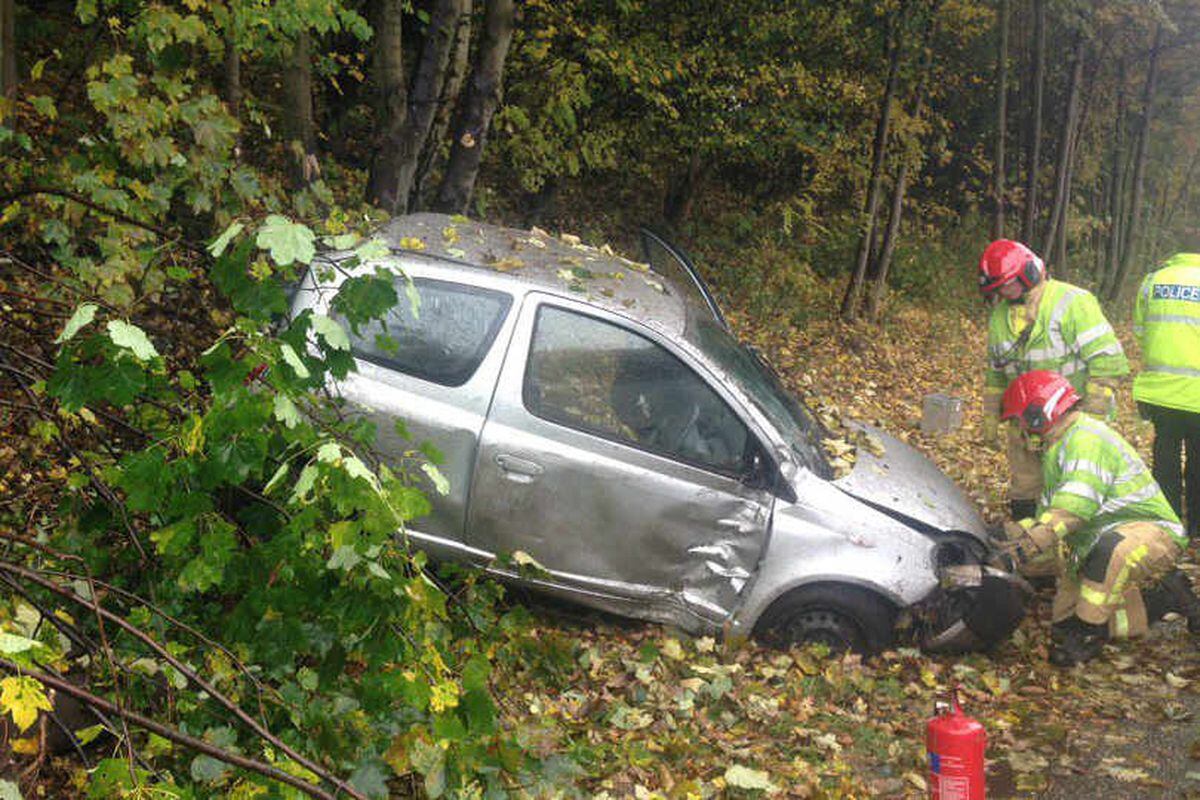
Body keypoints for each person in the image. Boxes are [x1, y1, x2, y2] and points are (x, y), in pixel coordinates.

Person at [992, 370, 1200, 666]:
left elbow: (1074, 509)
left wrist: (1024, 548)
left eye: (1019, 420)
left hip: (1148, 531)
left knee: (1109, 552)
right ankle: (1164, 596)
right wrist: (1007, 537)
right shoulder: (1058, 448)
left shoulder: (1085, 439)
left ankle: (1088, 634)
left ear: (1039, 413)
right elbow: (1050, 518)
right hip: (1097, 537)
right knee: (1065, 620)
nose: (1020, 429)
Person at [978, 239, 1130, 521]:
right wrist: (990, 419)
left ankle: (1077, 541)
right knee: (1025, 485)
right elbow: (995, 374)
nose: (1004, 291)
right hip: (1023, 420)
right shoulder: (999, 316)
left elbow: (1108, 360)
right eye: (998, 287)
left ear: (1029, 271)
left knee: (1074, 481)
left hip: (1070, 415)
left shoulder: (1072, 301)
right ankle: (1028, 542)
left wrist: (1094, 413)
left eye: (1008, 283)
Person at [1133, 250, 1200, 538]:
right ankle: (1197, 527)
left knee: (1166, 455)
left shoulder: (1153, 281)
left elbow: (1139, 330)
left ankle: (1168, 524)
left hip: (1160, 391)